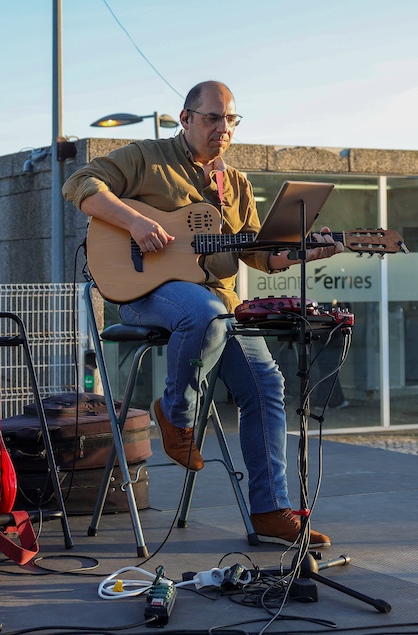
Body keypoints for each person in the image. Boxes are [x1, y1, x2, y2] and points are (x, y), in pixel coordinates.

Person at [62, 80, 344, 547]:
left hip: (218, 304)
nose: (223, 128)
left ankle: (270, 509)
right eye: (213, 118)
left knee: (267, 385)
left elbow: (259, 253)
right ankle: (177, 414)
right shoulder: (147, 157)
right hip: (147, 293)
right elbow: (80, 185)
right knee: (207, 314)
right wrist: (135, 221)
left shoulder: (236, 185)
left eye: (230, 119)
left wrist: (303, 252)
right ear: (186, 118)